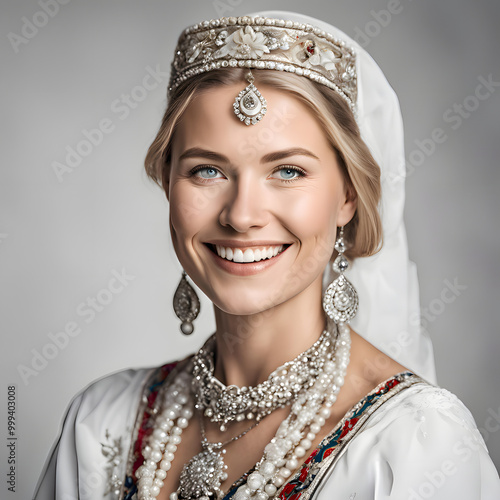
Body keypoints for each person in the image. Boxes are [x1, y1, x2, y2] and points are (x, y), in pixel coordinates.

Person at [33, 10, 500, 500]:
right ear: (167, 183)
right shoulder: (100, 422)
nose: (241, 215)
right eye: (207, 171)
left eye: (289, 172)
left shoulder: (414, 446)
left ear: (348, 197)